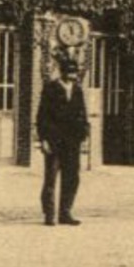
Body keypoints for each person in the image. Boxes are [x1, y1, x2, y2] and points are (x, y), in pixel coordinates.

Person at [36, 57, 90, 226]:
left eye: (74, 72)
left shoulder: (77, 90)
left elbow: (82, 114)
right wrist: (44, 139)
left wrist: (84, 135)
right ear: (62, 71)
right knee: (51, 178)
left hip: (72, 143)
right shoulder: (51, 88)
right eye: (69, 72)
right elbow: (42, 116)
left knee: (72, 178)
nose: (72, 75)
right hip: (54, 142)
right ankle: (49, 214)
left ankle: (65, 212)